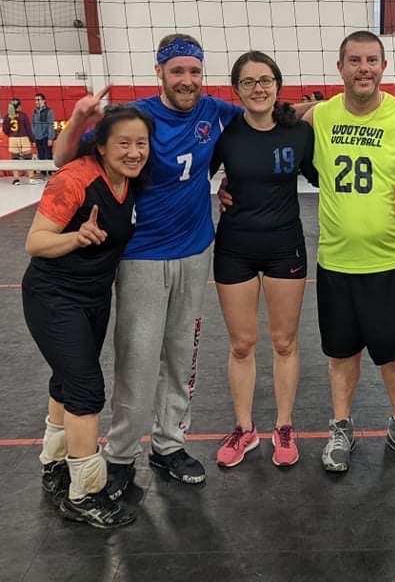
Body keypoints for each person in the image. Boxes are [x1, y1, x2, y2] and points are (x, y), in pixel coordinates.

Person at [222, 32, 395, 473]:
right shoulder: (319, 115)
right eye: (354, 60)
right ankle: (341, 426)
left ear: (383, 66)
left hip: (394, 258)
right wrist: (235, 182)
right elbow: (270, 123)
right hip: (337, 260)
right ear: (340, 67)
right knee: (341, 353)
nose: (364, 68)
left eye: (372, 60)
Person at [54, 33, 246, 497]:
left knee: (181, 356)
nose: (187, 80)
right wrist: (78, 118)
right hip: (142, 255)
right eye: (177, 71)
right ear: (158, 71)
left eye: (194, 71)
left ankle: (169, 445)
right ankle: (121, 455)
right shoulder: (134, 118)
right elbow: (62, 159)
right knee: (137, 361)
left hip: (196, 251)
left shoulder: (212, 111)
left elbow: (267, 117)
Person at [23, 105, 152, 529]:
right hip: (53, 296)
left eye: (141, 143)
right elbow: (35, 242)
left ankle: (54, 463)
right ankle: (84, 493)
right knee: (85, 390)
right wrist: (76, 237)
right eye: (123, 144)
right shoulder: (77, 178)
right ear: (101, 147)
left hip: (93, 297)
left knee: (66, 380)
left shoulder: (131, 180)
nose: (134, 152)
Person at [210, 51, 318, 469]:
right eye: (249, 82)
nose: (258, 88)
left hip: (284, 245)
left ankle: (284, 425)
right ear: (237, 90)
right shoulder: (225, 133)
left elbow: (325, 178)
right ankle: (244, 428)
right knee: (241, 345)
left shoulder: (298, 133)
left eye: (266, 80)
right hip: (234, 247)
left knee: (284, 341)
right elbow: (195, 176)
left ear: (277, 85)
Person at [4, 99, 40, 185]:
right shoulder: (23, 116)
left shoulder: (7, 116)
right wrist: (32, 140)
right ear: (19, 106)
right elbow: (28, 129)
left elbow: (5, 130)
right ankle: (31, 178)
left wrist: (11, 135)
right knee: (28, 158)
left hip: (13, 139)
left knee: (15, 159)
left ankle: (16, 179)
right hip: (23, 138)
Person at [32, 93, 57, 170]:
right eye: (35, 100)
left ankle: (50, 172)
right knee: (41, 156)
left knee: (48, 155)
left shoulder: (49, 111)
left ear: (44, 101)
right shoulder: (35, 111)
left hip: (46, 137)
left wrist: (50, 138)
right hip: (37, 137)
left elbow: (51, 125)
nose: (36, 102)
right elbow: (33, 124)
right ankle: (43, 172)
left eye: (38, 100)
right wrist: (33, 138)